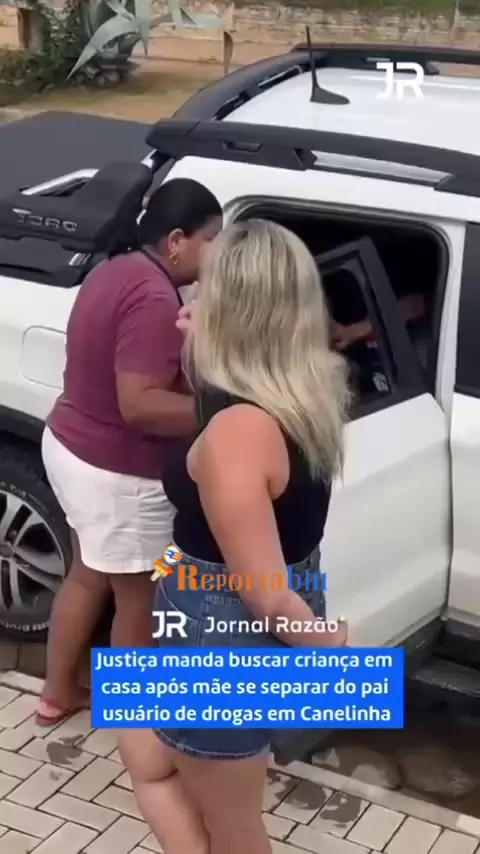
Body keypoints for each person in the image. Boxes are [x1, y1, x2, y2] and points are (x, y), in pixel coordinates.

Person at [119, 219, 350, 854]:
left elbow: (267, 595)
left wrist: (328, 645)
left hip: (223, 637)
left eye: (202, 294)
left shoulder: (238, 434)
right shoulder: (306, 393)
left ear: (235, 316)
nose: (185, 308)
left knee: (232, 825)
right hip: (223, 627)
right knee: (150, 754)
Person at [36, 178, 223, 726]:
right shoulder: (154, 297)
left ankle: (56, 694)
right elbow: (139, 405)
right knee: (140, 597)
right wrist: (226, 410)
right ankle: (136, 724)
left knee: (88, 575)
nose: (218, 253)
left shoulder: (115, 269)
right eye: (212, 241)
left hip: (71, 448)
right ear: (177, 241)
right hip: (117, 474)